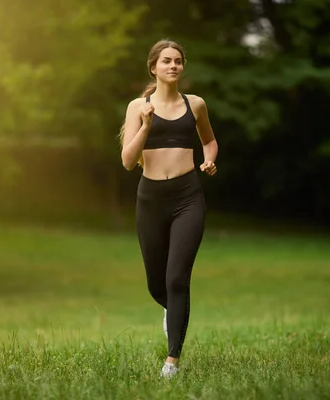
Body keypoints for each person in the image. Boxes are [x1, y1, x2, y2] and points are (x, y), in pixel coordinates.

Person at [118, 39, 218, 378]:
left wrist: (209, 160)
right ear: (153, 67)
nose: (173, 65)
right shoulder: (137, 107)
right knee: (156, 284)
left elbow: (209, 140)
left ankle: (172, 361)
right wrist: (146, 125)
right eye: (166, 61)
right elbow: (128, 162)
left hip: (187, 197)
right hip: (150, 200)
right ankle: (172, 313)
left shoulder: (196, 104)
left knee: (177, 278)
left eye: (177, 61)